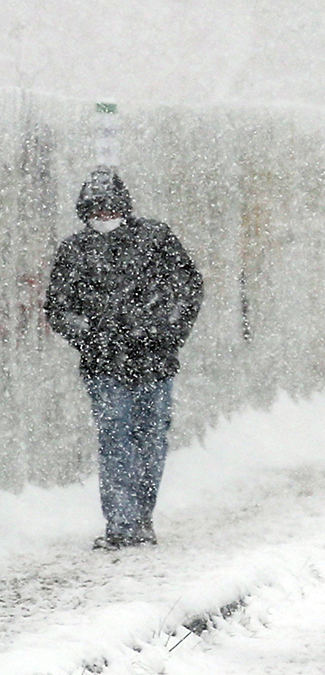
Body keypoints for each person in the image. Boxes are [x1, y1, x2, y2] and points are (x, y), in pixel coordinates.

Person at [44, 167, 203, 550]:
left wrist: (166, 331)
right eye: (95, 208)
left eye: (110, 206)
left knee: (150, 440)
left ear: (124, 205)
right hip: (104, 365)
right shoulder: (74, 251)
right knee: (115, 437)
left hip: (155, 360)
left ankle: (140, 517)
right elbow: (59, 307)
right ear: (84, 211)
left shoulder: (156, 238)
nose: (103, 214)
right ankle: (121, 523)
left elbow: (188, 288)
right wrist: (92, 338)